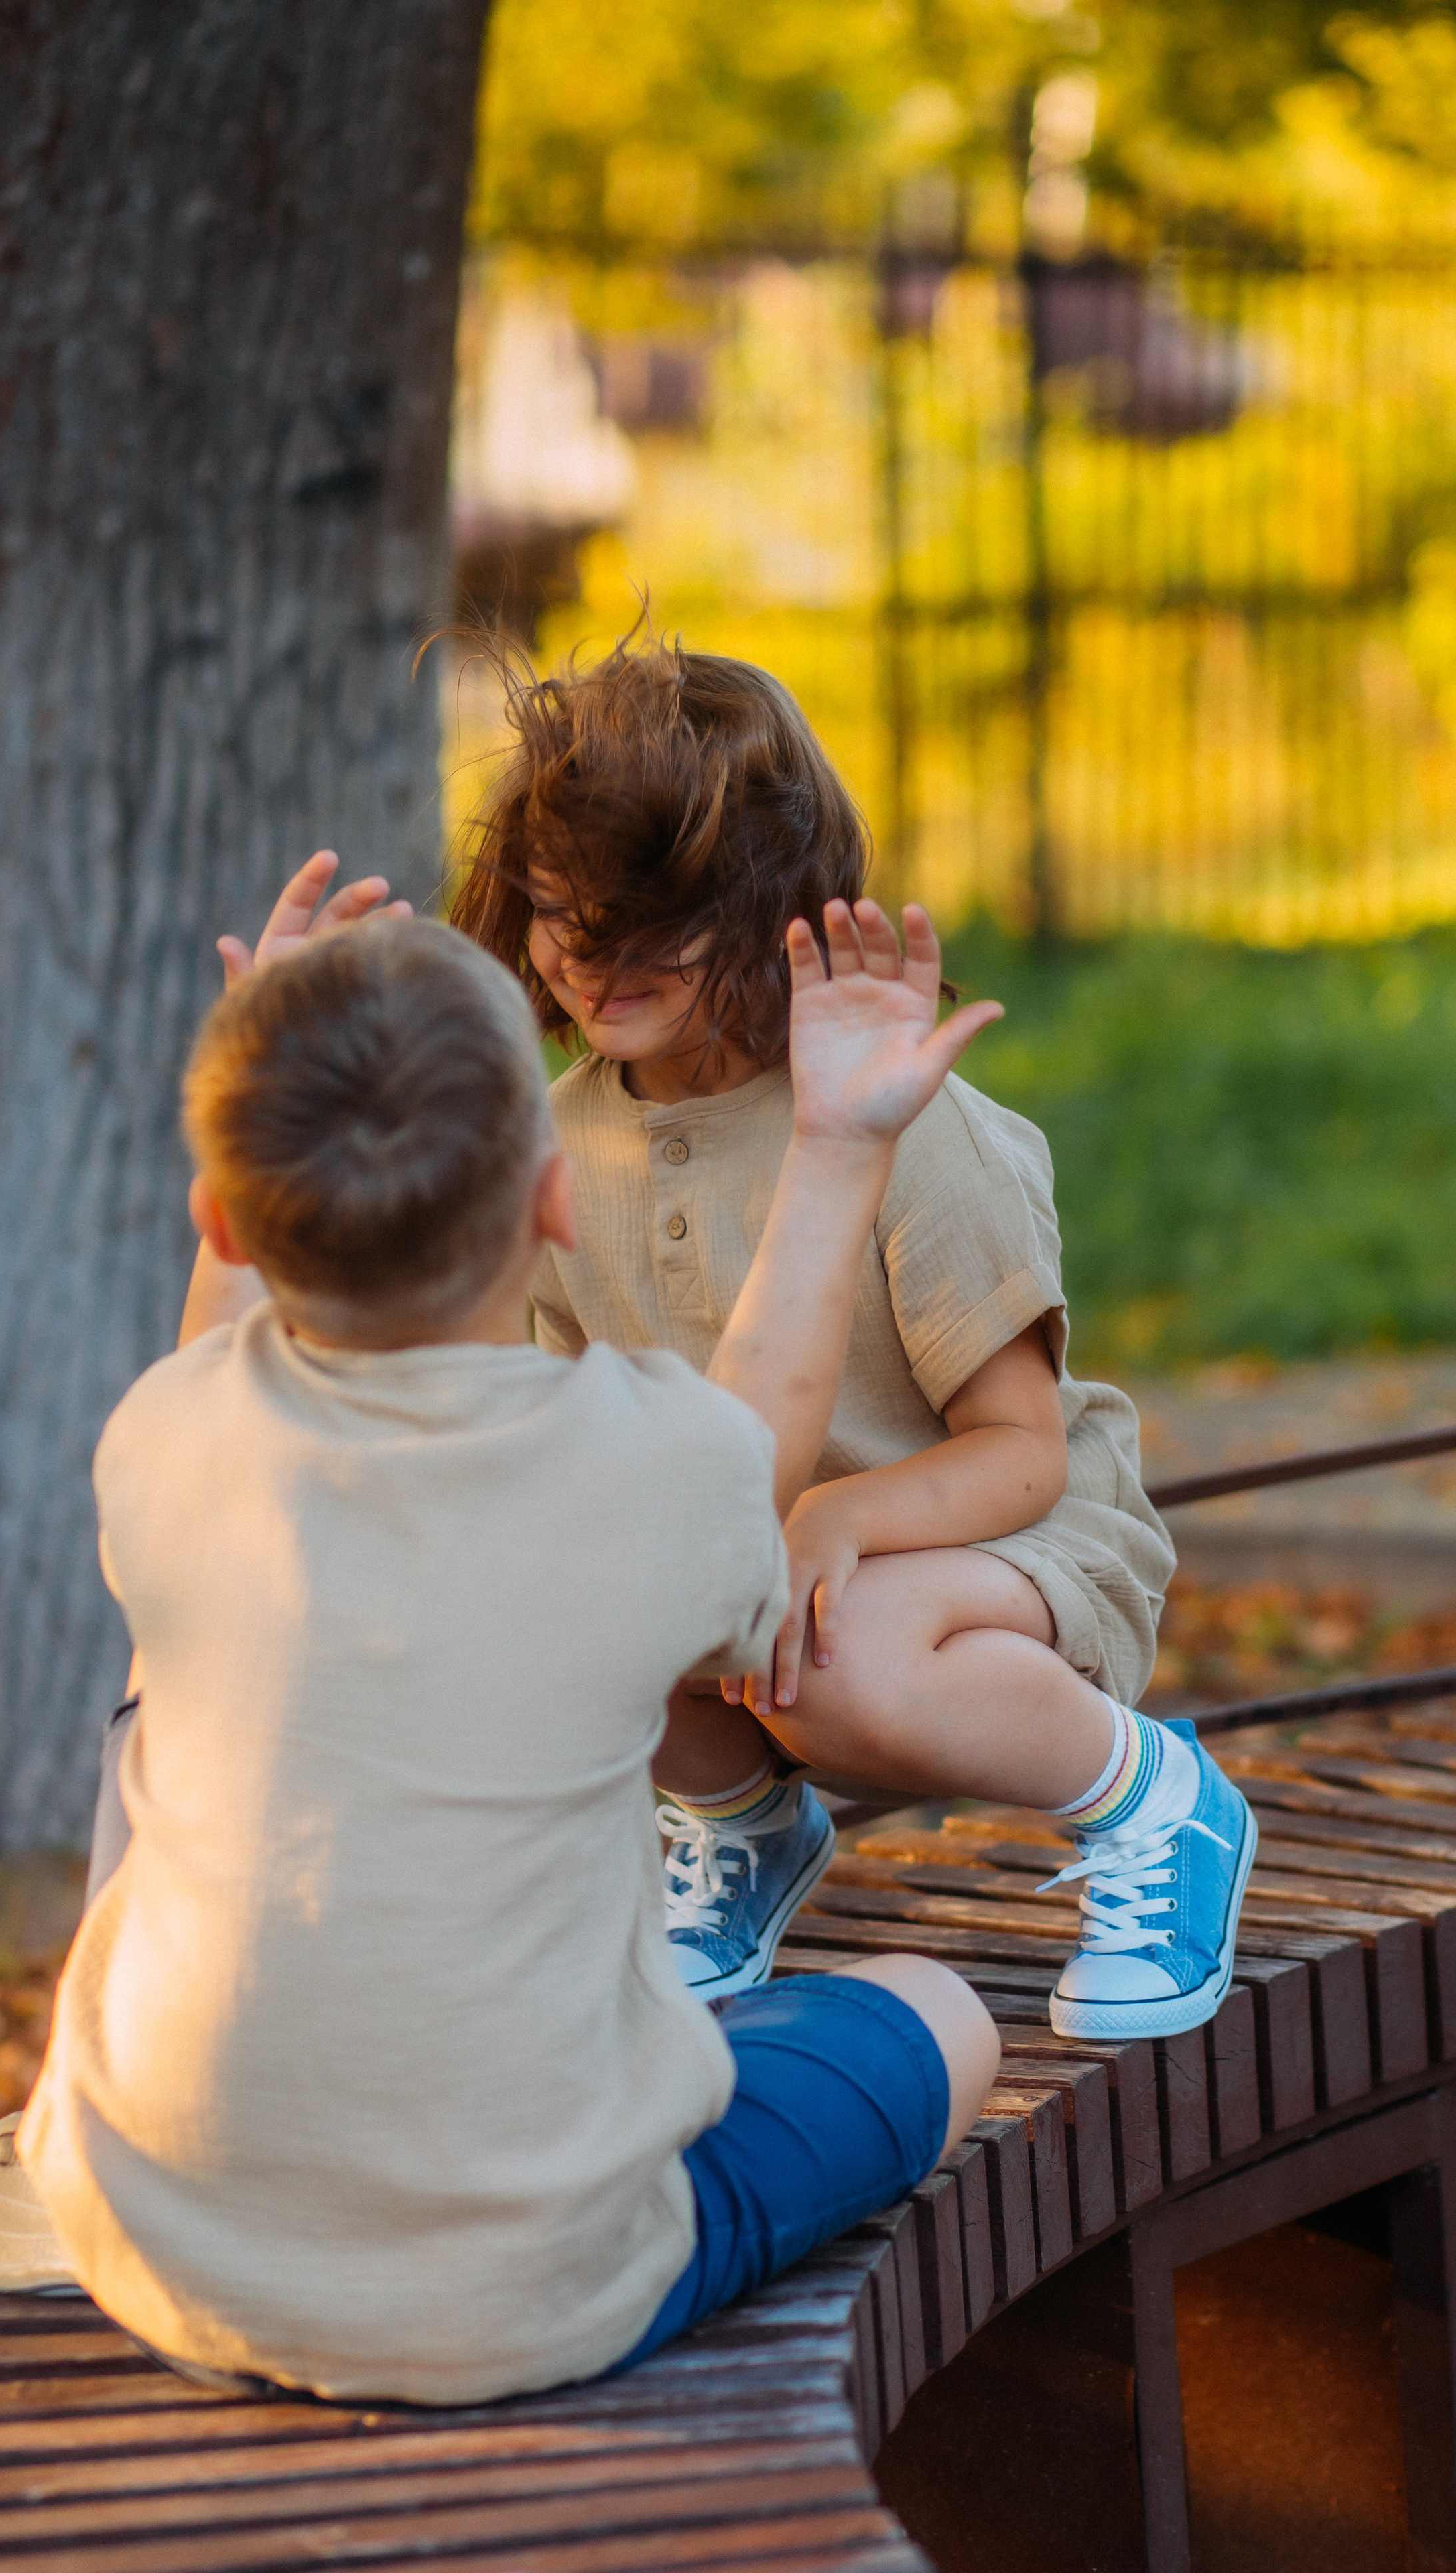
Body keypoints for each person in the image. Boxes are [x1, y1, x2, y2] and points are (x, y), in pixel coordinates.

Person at [0, 895, 1001, 2405]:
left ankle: (91, 2144)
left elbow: (211, 1356)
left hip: (168, 2259)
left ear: (223, 1222)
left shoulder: (165, 1446)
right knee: (938, 2019)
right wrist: (839, 1141)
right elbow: (755, 1439)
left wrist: (272, 1068)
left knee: (161, 1698)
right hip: (530, 2298)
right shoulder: (642, 1475)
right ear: (556, 1202)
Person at [448, 633, 1256, 2044]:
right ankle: (737, 1823)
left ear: (769, 906)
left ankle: (1153, 1801)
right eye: (559, 912)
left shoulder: (905, 1122)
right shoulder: (564, 1141)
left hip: (1005, 1539)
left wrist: (835, 1517)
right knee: (559, 1583)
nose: (587, 957)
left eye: (644, 922)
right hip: (768, 1562)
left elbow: (1021, 1454)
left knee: (832, 1660)